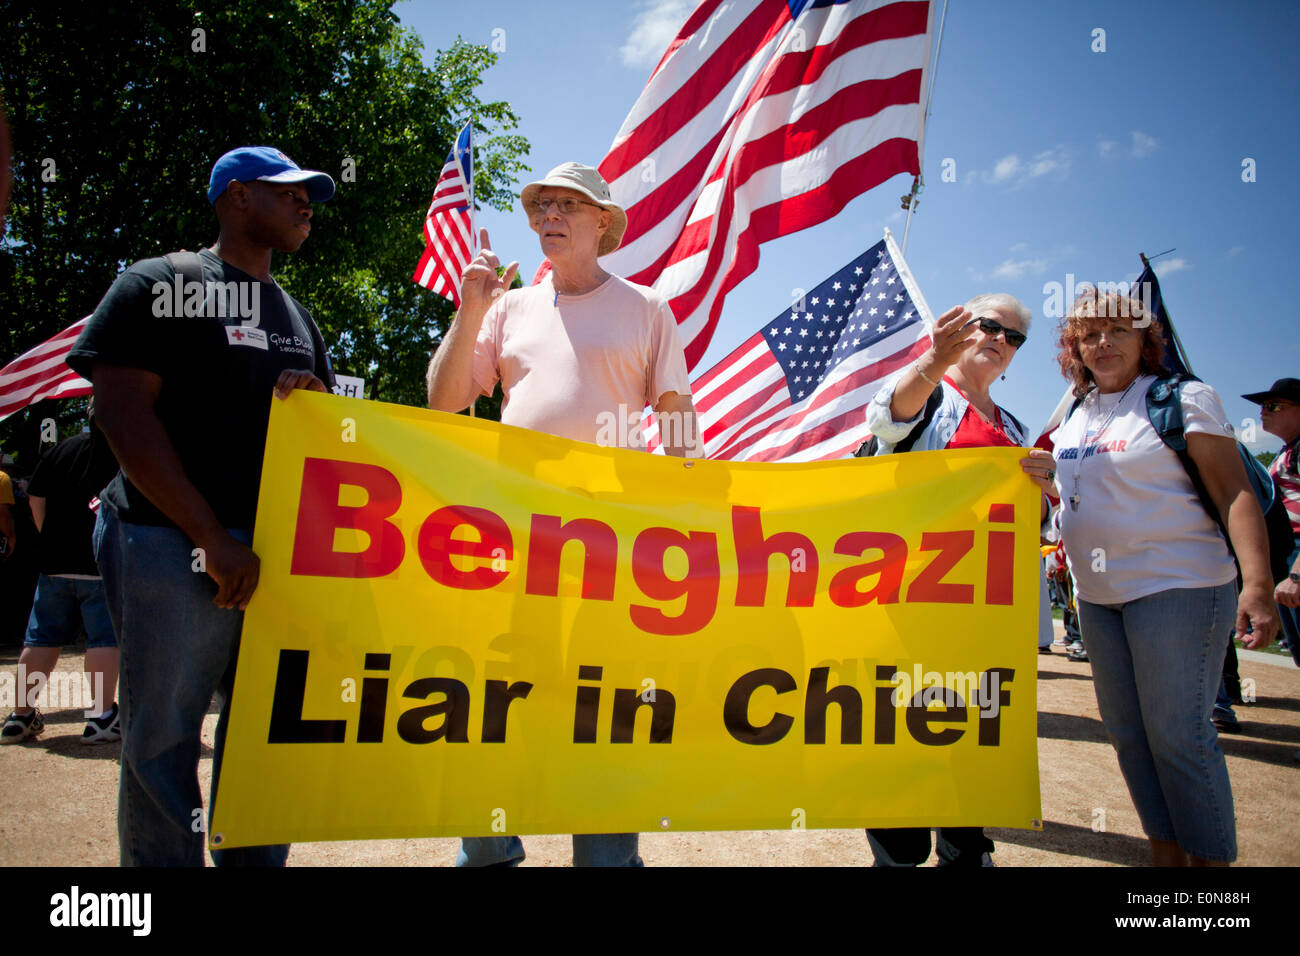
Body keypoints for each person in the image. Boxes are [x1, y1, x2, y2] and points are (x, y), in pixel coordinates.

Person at [65, 146, 337, 866]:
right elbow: (122, 415)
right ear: (237, 197)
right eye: (290, 193)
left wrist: (313, 409)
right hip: (167, 540)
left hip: (275, 554)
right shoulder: (161, 283)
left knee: (264, 737)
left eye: (310, 196)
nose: (306, 204)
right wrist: (210, 537)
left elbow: (326, 442)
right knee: (163, 736)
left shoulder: (298, 317)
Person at [426, 161, 698, 866]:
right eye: (541, 204)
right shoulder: (508, 309)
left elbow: (677, 432)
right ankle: (488, 851)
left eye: (566, 205)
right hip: (509, 550)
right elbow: (445, 401)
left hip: (609, 558)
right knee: (493, 699)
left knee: (599, 710)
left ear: (602, 222)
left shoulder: (646, 310)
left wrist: (685, 528)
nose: (549, 214)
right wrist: (470, 310)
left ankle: (606, 859)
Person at [1020, 288, 1278, 866]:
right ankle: (1168, 864)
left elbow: (1234, 491)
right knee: (1132, 741)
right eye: (1088, 335)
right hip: (1097, 599)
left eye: (1118, 330)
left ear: (1146, 339)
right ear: (1074, 349)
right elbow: (1078, 504)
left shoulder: (1184, 399)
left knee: (1179, 737)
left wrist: (1258, 585)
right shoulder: (1074, 417)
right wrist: (1049, 488)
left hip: (1178, 585)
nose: (1103, 342)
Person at [862, 292, 1047, 867]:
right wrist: (931, 363)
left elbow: (1030, 523)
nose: (1000, 340)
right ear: (962, 326)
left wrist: (1042, 489)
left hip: (984, 611)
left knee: (971, 732)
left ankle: (967, 850)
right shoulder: (932, 393)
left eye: (1014, 337)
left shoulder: (1014, 428)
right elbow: (887, 420)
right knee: (901, 728)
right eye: (990, 326)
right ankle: (898, 854)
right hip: (912, 599)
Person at [0, 407, 121, 744]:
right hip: (100, 563)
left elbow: (35, 494)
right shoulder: (124, 452)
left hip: (53, 563)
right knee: (104, 639)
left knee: (40, 639)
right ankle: (100, 717)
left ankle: (20, 716)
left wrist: (46, 535)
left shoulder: (62, 449)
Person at [1241, 378, 1300, 665]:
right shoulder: (1287, 451)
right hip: (1288, 553)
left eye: (1274, 405)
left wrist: (1297, 574)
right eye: (1263, 406)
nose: (1264, 411)